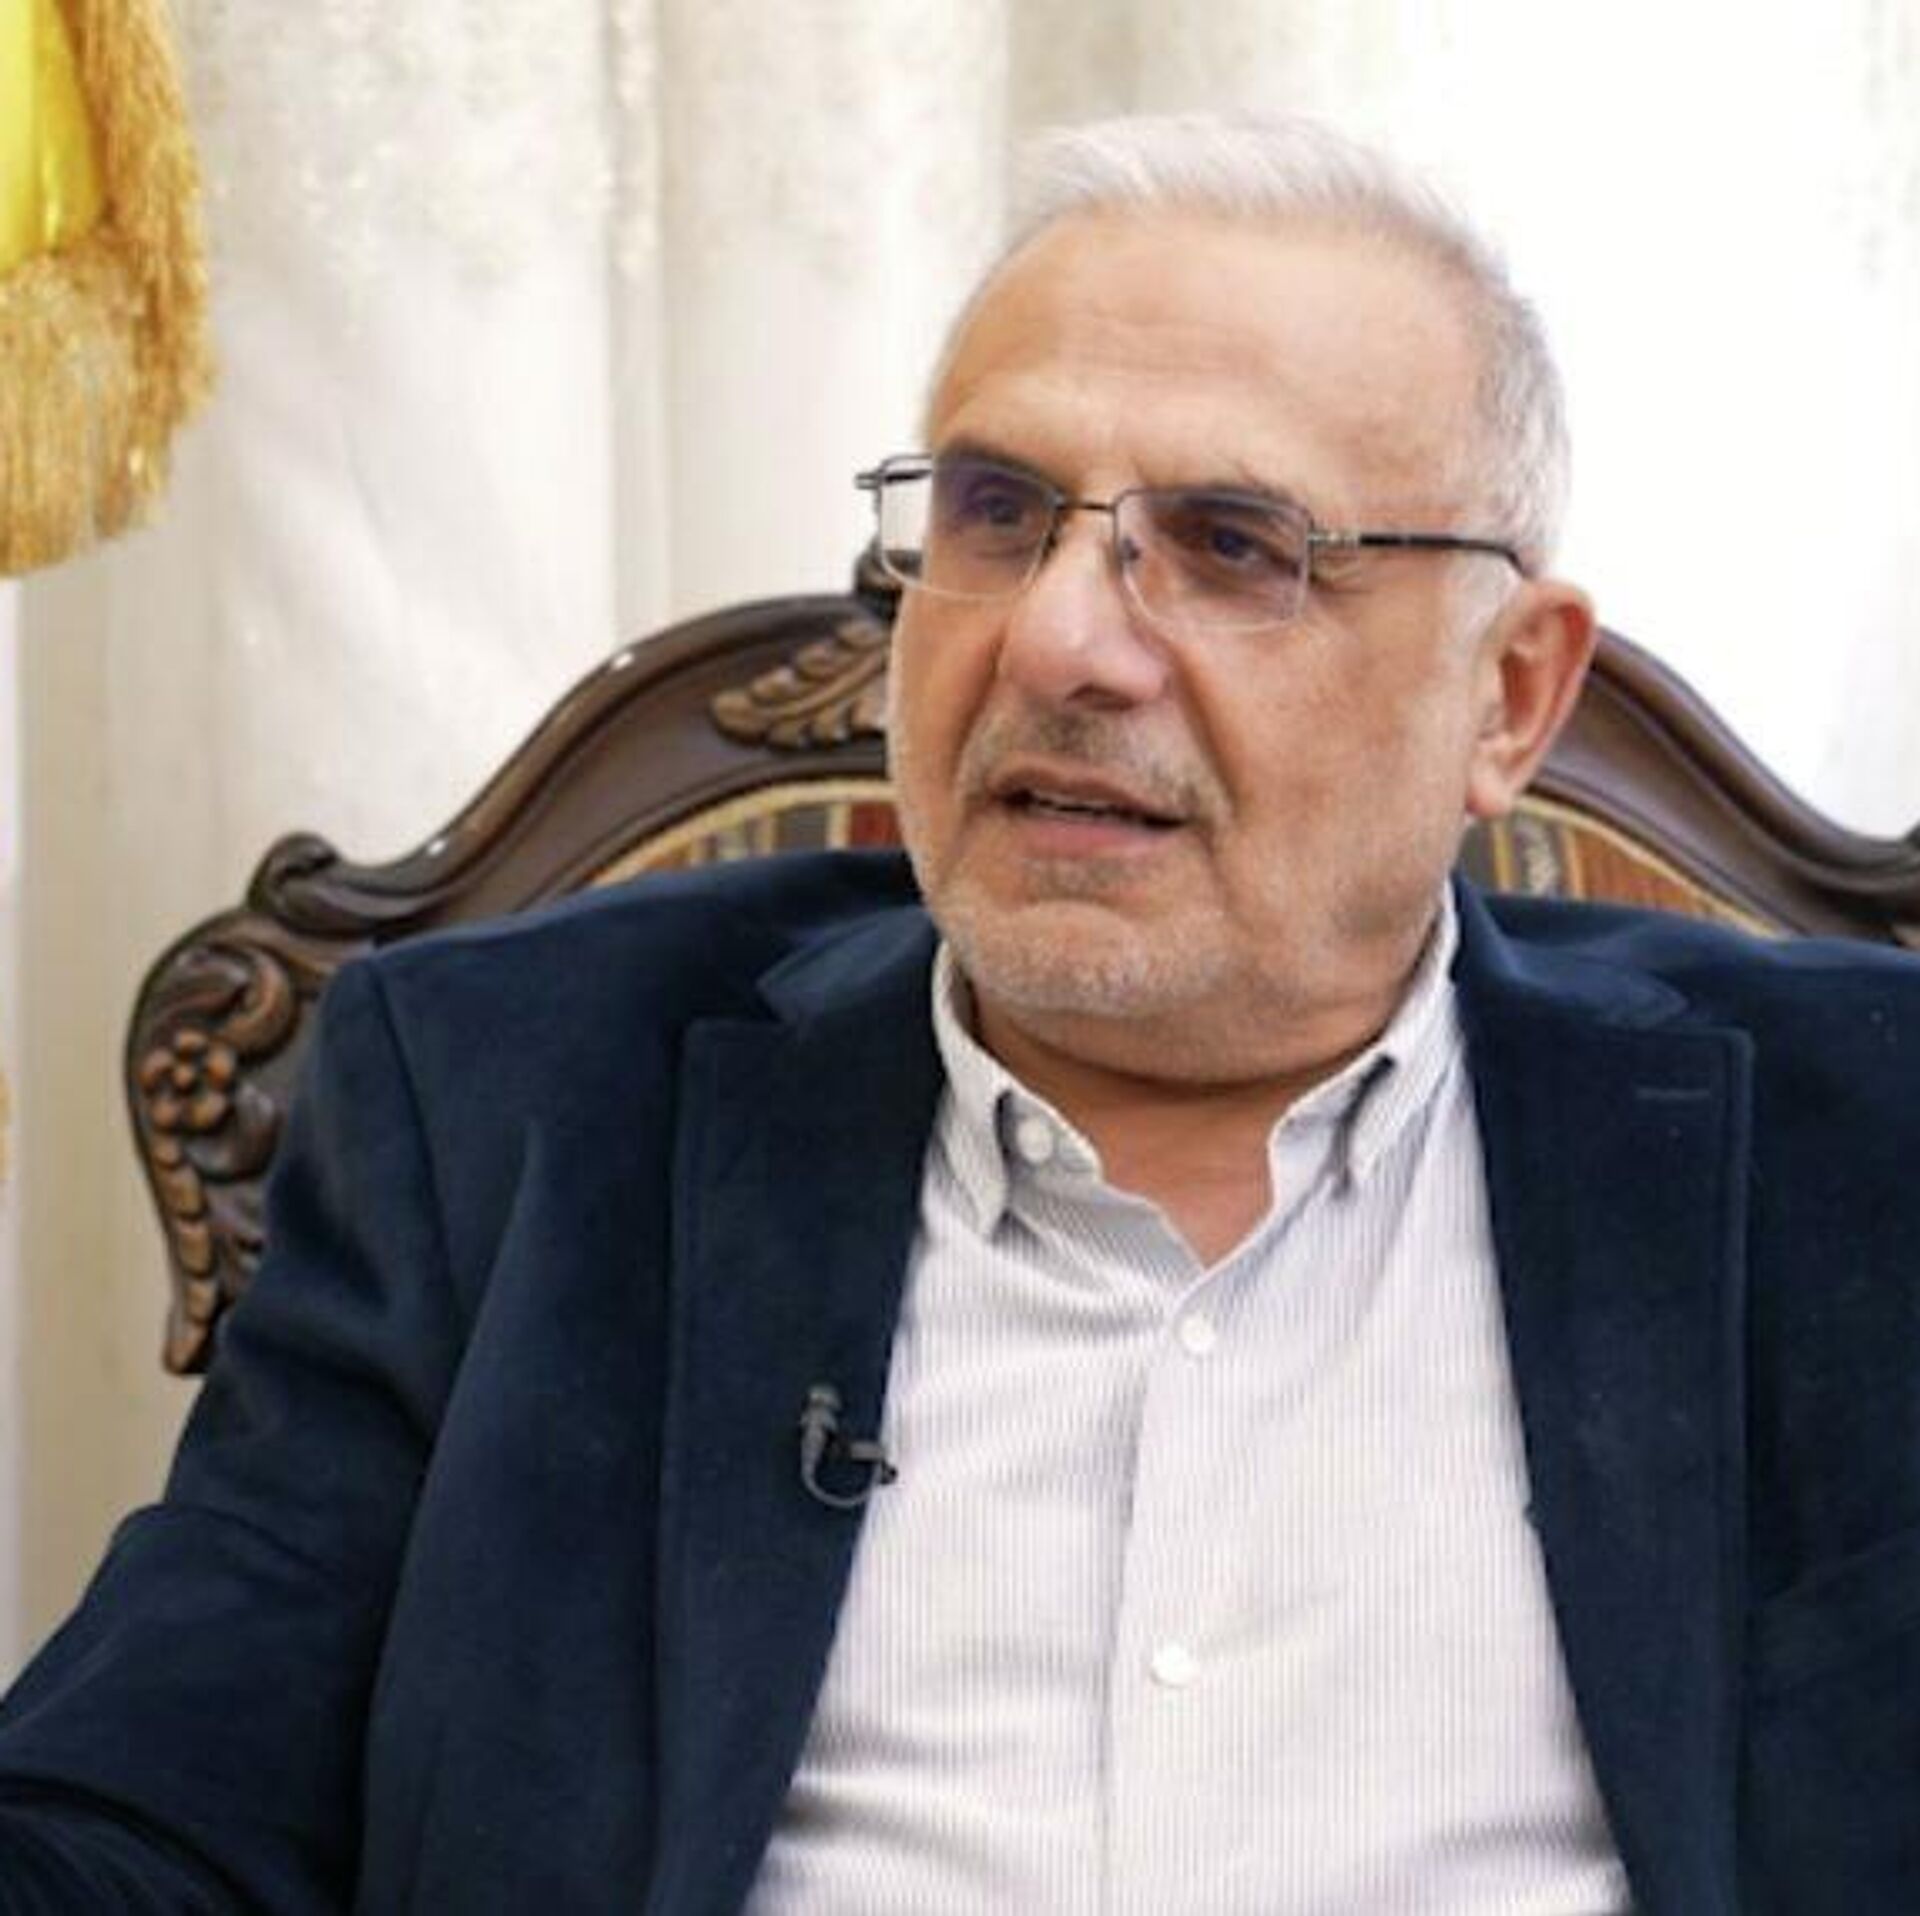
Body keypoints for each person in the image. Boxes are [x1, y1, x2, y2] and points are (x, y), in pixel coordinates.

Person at [2, 111, 1917, 1916]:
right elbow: (142, 1806)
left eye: (1234, 543)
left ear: (1507, 697)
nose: (1060, 642)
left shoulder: (1868, 1147)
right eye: (999, 514)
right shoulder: (501, 1103)